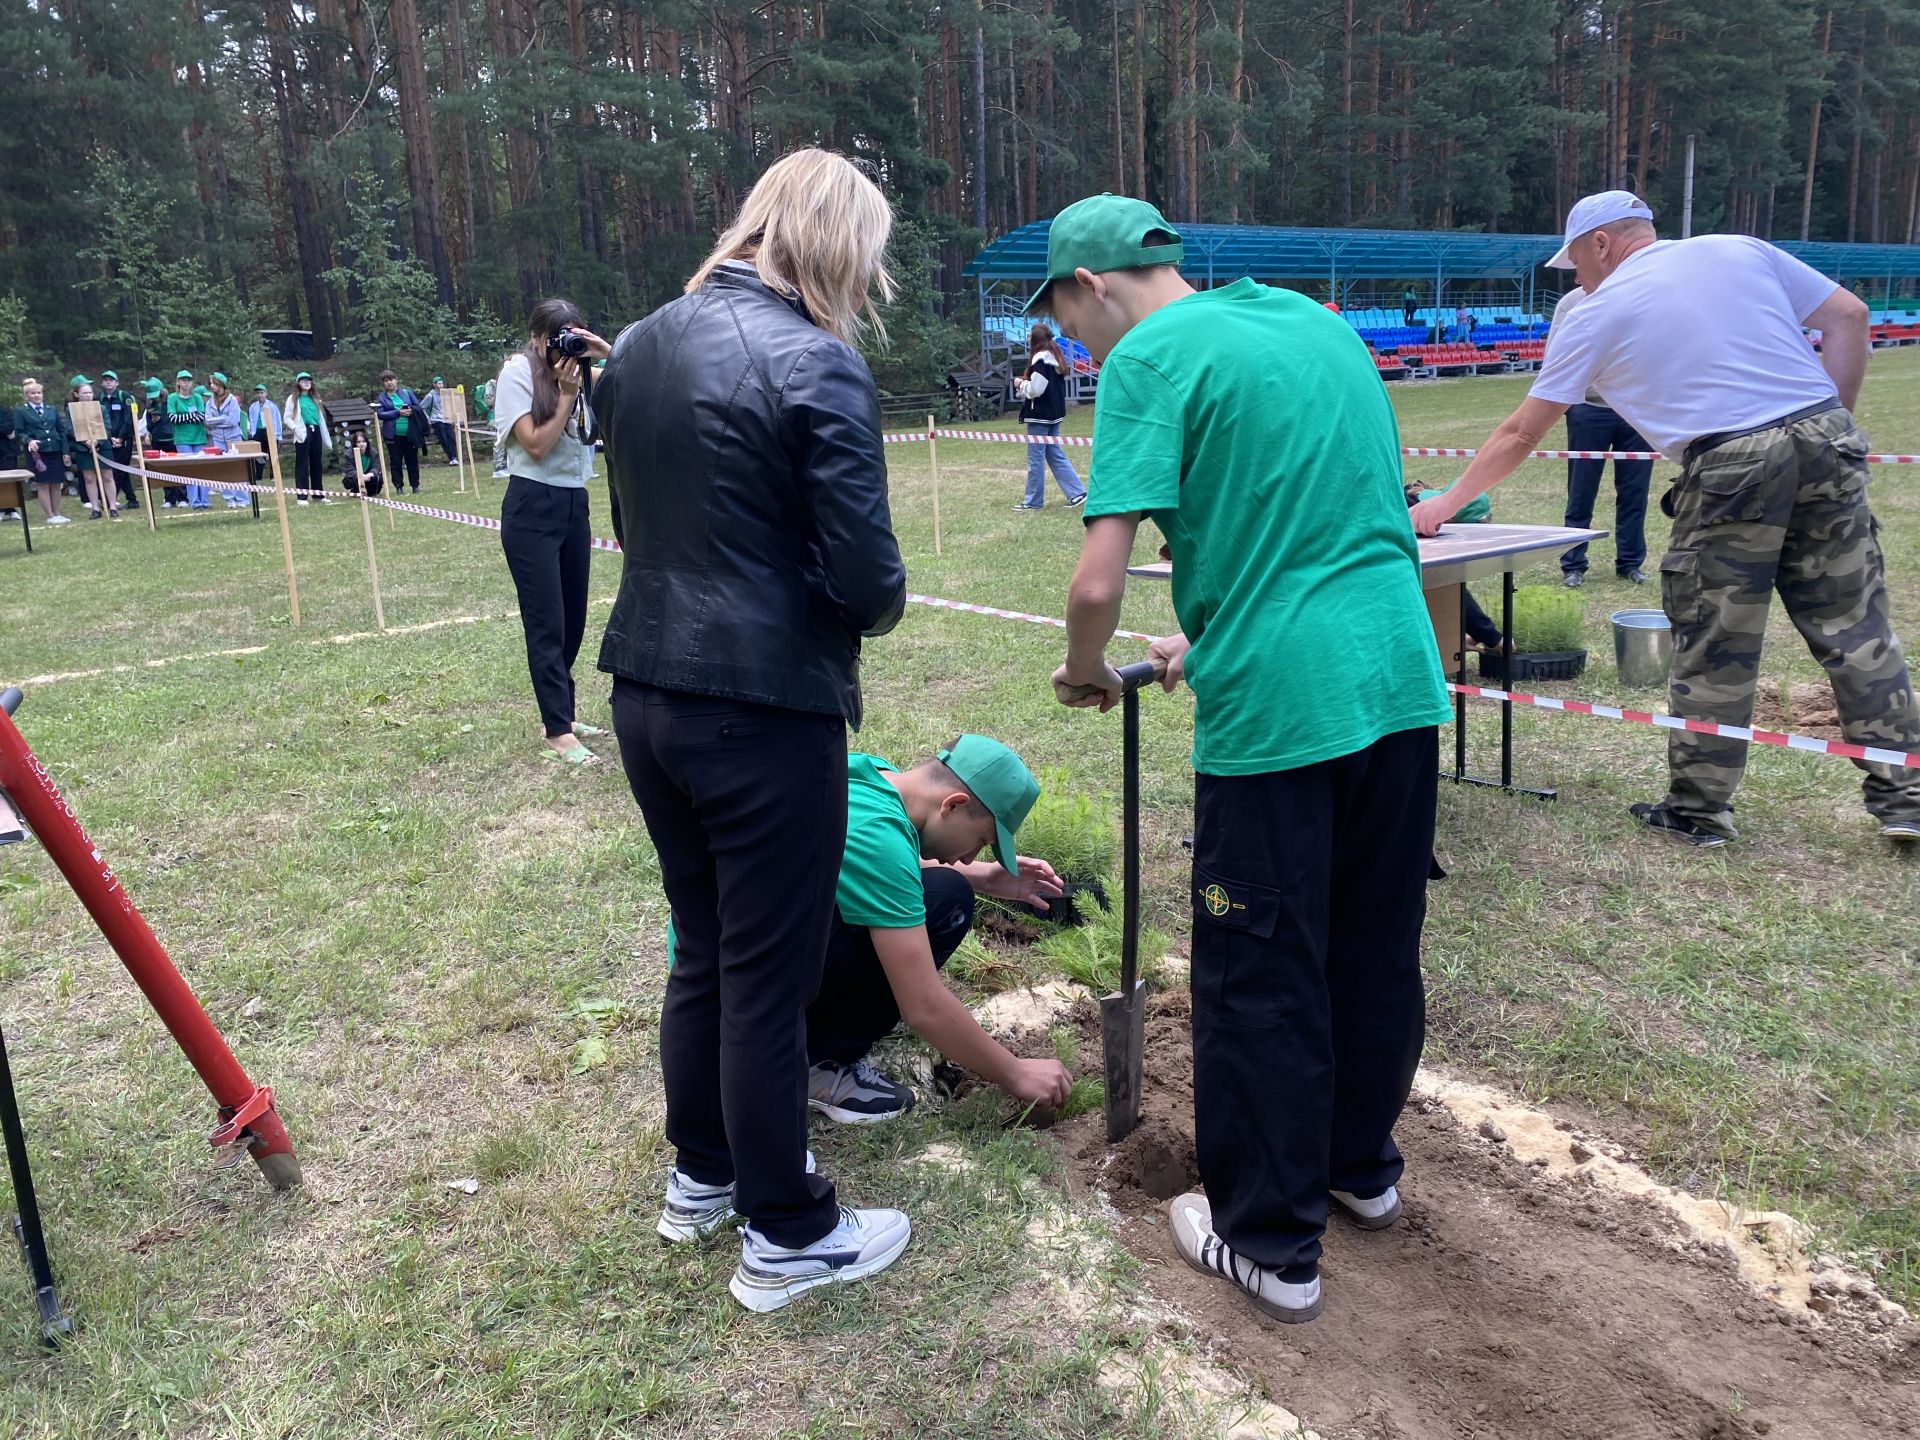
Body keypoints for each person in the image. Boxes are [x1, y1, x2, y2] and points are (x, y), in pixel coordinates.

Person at [1040, 193, 1451, 1325]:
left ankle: (1266, 1240)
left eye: (1071, 323)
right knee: (1371, 944)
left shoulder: (1149, 360)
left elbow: (1094, 582)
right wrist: (1204, 633)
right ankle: (1358, 1169)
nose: (1080, 346)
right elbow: (1322, 526)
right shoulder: (1316, 326)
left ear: (1091, 284)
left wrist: (1085, 667)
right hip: (1397, 683)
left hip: (1278, 718)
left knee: (1257, 968)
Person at [594, 148, 910, 1315]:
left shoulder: (638, 344)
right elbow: (868, 577)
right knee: (766, 970)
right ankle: (788, 1230)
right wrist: (846, 608)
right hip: (762, 708)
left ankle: (706, 1170)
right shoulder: (820, 362)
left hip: (646, 693)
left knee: (705, 947)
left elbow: (637, 521)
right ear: (841, 246)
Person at [1410, 189, 1920, 848]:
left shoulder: (1598, 311)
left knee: (1717, 639)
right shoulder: (1740, 250)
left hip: (1732, 460)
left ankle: (1700, 810)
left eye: (1578, 265)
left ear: (1602, 243)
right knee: (1857, 628)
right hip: (1825, 434)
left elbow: (1520, 432)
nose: (1580, 280)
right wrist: (1830, 424)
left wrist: (1445, 503)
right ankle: (1905, 797)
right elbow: (1850, 316)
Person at [800, 738, 1073, 1124]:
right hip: (750, 997)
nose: (968, 857)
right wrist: (1016, 1073)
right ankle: (812, 1064)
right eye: (981, 841)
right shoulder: (881, 837)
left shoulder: (869, 775)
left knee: (945, 889)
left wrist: (985, 878)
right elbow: (923, 1006)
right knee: (947, 904)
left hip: (737, 958)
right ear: (954, 804)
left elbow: (884, 861)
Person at [486, 301, 608, 763]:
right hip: (532, 503)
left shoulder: (580, 369)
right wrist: (563, 396)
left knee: (574, 616)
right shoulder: (519, 373)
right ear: (536, 336)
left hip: (574, 501)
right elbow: (535, 445)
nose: (562, 348)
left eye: (570, 336)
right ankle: (557, 729)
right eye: (555, 338)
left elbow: (639, 382)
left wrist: (603, 351)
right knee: (547, 621)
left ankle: (565, 713)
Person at [1549, 285, 1652, 587]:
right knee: (1580, 493)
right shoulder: (1573, 302)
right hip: (1587, 409)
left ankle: (1630, 563)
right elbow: (1556, 354)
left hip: (1635, 410)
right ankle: (1573, 564)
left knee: (1635, 493)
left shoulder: (1643, 294)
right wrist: (1571, 404)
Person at [1012, 321, 1086, 512]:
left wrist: (1020, 384)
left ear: (1035, 339)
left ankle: (1033, 501)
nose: (1028, 339)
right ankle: (1077, 492)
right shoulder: (1055, 356)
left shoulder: (1040, 360)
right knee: (1054, 453)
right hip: (1054, 414)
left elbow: (1037, 389)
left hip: (1040, 416)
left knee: (1035, 459)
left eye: (1030, 336)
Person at [14, 379, 70, 525]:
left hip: (54, 449)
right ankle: (50, 515)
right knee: (43, 483)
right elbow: (19, 432)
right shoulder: (21, 411)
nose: (37, 396)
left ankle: (57, 513)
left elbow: (61, 430)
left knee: (57, 482)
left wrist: (65, 451)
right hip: (38, 453)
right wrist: (29, 441)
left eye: (39, 393)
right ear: (27, 395)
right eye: (33, 393)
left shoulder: (51, 409)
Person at [66, 377, 115, 519]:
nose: (88, 395)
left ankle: (112, 506)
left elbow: (108, 427)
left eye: (89, 393)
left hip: (102, 447)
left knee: (107, 476)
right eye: (84, 393)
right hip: (83, 448)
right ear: (77, 395)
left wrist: (97, 442)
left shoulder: (101, 408)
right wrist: (85, 441)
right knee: (89, 478)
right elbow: (70, 429)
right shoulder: (71, 410)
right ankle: (95, 508)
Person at [283, 372, 331, 504]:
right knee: (302, 464)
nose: (306, 382)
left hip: (316, 431)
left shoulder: (315, 398)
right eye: (303, 380)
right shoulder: (293, 398)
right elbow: (287, 418)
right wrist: (295, 429)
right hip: (303, 432)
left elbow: (320, 418)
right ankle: (302, 496)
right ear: (298, 383)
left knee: (316, 463)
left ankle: (318, 495)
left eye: (308, 380)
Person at [166, 371, 211, 509]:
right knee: (189, 470)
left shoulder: (197, 397)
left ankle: (205, 501)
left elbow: (201, 416)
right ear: (178, 382)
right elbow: (173, 418)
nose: (186, 383)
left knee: (202, 470)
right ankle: (195, 502)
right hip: (182, 439)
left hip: (199, 438)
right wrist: (191, 416)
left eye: (189, 380)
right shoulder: (172, 398)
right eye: (183, 380)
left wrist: (183, 417)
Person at [375, 370, 424, 494]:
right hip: (392, 435)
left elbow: (418, 407)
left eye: (391, 380)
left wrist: (411, 411)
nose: (389, 383)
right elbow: (380, 414)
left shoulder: (407, 393)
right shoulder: (381, 398)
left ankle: (415, 486)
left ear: (396, 380)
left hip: (410, 433)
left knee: (412, 460)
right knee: (395, 462)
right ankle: (398, 487)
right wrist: (398, 413)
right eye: (386, 381)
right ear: (383, 384)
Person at [205, 373, 249, 509]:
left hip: (234, 437)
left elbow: (233, 421)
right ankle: (230, 499)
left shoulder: (232, 400)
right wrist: (223, 418)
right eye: (210, 383)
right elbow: (207, 420)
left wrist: (217, 421)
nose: (212, 386)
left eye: (215, 383)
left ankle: (242, 499)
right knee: (224, 468)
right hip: (218, 438)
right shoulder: (209, 402)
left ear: (221, 384)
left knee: (238, 468)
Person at [98, 371, 139, 511]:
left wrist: (120, 438)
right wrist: (109, 438)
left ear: (117, 383)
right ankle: (132, 499)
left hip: (124, 439)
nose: (108, 382)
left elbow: (129, 419)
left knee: (120, 470)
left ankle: (110, 500)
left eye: (111, 380)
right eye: (105, 380)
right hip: (107, 439)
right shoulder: (99, 399)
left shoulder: (125, 397)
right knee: (118, 469)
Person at [247, 383, 282, 490]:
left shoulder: (272, 406)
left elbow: (277, 420)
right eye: (258, 393)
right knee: (259, 455)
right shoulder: (253, 407)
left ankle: (273, 475)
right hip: (258, 431)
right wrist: (252, 433)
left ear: (266, 394)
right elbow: (252, 420)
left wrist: (278, 434)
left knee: (272, 454)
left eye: (262, 393)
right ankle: (259, 475)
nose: (260, 395)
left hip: (270, 431)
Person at [424, 377, 458, 464]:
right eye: (439, 384)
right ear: (434, 385)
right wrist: (428, 419)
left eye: (442, 383)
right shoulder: (430, 395)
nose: (441, 385)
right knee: (444, 438)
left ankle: (455, 456)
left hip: (447, 418)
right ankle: (452, 458)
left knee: (451, 437)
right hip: (436, 419)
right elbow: (422, 408)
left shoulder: (446, 394)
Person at [140, 378, 175, 457]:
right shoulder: (150, 406)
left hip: (172, 440)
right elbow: (149, 426)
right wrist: (153, 421)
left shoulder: (171, 402)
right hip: (156, 441)